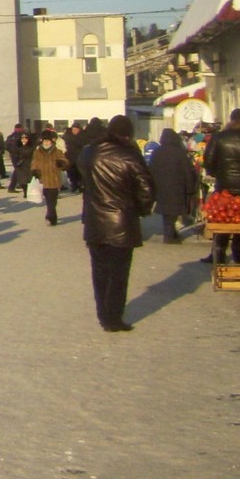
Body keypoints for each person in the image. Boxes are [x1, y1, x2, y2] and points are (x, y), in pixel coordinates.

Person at [78, 114, 154, 332]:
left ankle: (103, 314)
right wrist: (141, 209)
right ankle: (113, 317)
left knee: (100, 271)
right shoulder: (130, 155)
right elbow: (146, 189)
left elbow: (81, 169)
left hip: (95, 220)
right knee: (119, 273)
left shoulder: (90, 151)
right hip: (122, 221)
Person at [202, 108, 240, 264]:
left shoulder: (218, 138)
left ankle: (218, 252)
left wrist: (216, 173)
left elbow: (208, 161)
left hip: (224, 186)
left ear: (230, 119)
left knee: (221, 219)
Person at [149, 128, 200, 244]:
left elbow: (151, 170)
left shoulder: (157, 152)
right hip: (177, 186)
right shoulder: (180, 153)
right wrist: (190, 186)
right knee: (173, 212)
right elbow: (187, 171)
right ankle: (170, 235)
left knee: (166, 213)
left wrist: (152, 186)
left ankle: (169, 232)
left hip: (161, 187)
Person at [29, 129, 70, 226]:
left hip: (54, 179)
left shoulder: (57, 151)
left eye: (48, 141)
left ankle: (51, 215)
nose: (46, 143)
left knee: (53, 200)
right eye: (44, 141)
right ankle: (50, 216)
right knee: (48, 199)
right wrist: (34, 170)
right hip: (43, 179)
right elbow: (34, 163)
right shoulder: (38, 152)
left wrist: (62, 163)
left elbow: (65, 161)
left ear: (52, 142)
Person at [7, 124, 35, 197]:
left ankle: (15, 187)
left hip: (25, 161)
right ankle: (17, 187)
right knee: (20, 175)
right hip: (19, 160)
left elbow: (7, 146)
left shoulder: (10, 137)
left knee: (26, 176)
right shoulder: (17, 138)